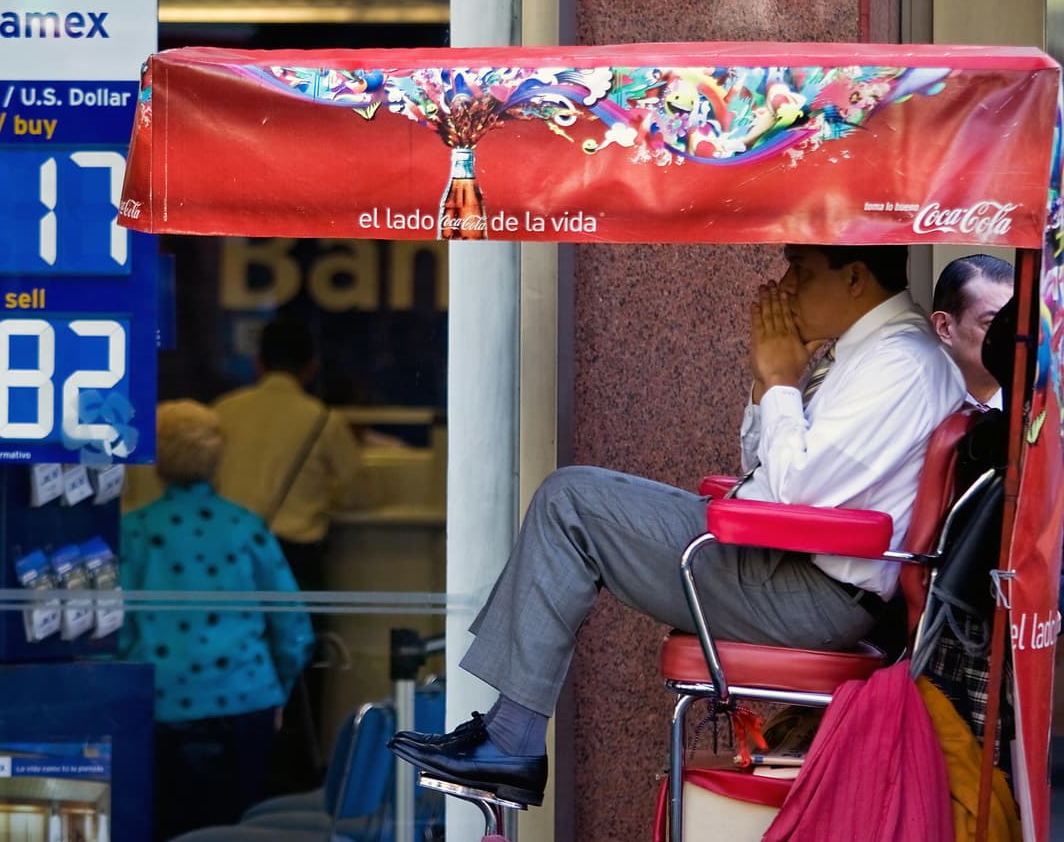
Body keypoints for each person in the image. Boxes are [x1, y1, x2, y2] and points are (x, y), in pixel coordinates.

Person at [389, 244, 966, 806]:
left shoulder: (902, 363)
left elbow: (796, 490)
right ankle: (505, 732)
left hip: (811, 591)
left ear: (855, 277)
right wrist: (770, 384)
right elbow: (763, 467)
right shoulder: (871, 353)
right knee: (573, 497)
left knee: (570, 502)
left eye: (800, 268)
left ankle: (510, 740)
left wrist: (783, 381)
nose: (784, 286)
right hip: (788, 567)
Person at [118, 400, 314, 839]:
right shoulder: (246, 528)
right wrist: (277, 691)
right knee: (238, 827)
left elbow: (113, 631)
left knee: (164, 825)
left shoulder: (133, 532)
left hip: (156, 706)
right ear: (216, 458)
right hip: (245, 701)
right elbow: (293, 627)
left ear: (157, 460)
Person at [211, 316, 366, 593]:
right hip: (295, 556)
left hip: (228, 548)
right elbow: (359, 491)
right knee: (298, 634)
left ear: (258, 363)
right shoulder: (324, 420)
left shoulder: (222, 411)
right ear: (311, 367)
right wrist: (326, 496)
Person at [930, 254, 1014, 410]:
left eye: (1020, 324)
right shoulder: (915, 408)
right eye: (993, 324)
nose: (1012, 337)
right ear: (944, 327)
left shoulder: (1045, 408)